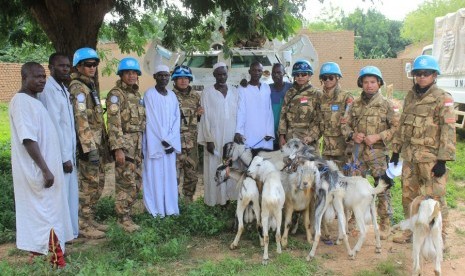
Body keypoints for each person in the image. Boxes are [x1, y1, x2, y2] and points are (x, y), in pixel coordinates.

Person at [9, 62, 73, 267]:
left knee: (47, 211)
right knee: (47, 214)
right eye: (36, 77)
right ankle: (56, 258)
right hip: (37, 170)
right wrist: (45, 169)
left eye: (43, 77)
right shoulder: (21, 102)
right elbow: (28, 139)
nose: (41, 80)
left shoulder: (34, 101)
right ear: (24, 78)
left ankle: (41, 254)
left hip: (47, 168)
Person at [391, 55, 456, 246]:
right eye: (418, 74)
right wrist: (396, 150)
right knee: (408, 197)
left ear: (434, 75)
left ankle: (440, 237)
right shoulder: (410, 96)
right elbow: (403, 124)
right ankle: (411, 232)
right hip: (410, 157)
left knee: (435, 198)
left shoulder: (443, 98)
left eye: (426, 73)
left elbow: (448, 130)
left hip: (431, 159)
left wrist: (443, 160)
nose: (421, 77)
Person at [341, 66, 399, 240]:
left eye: (373, 82)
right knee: (355, 187)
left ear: (379, 83)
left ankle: (385, 223)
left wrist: (378, 136)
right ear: (361, 84)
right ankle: (353, 219)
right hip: (358, 154)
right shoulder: (354, 104)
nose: (369, 85)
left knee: (382, 187)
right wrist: (352, 134)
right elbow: (344, 124)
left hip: (378, 153)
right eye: (365, 82)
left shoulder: (387, 105)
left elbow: (396, 128)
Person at [69, 47, 110, 239]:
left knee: (98, 182)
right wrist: (89, 148)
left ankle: (89, 218)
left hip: (97, 143)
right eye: (88, 65)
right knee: (88, 185)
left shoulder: (89, 86)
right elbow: (81, 118)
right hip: (88, 146)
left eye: (95, 64)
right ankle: (83, 225)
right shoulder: (78, 88)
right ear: (78, 66)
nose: (92, 68)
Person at [38, 53, 79, 239]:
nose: (65, 69)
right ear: (51, 68)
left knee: (69, 195)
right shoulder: (48, 90)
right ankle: (59, 236)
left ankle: (68, 233)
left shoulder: (62, 88)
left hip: (68, 150)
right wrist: (64, 157)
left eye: (67, 66)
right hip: (60, 154)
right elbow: (54, 124)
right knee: (59, 197)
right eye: (61, 66)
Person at [106, 57, 145, 232]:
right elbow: (114, 124)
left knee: (136, 181)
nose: (131, 76)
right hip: (125, 146)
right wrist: (118, 149)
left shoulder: (136, 94)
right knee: (125, 183)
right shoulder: (116, 95)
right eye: (127, 73)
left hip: (137, 145)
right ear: (121, 75)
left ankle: (127, 213)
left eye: (134, 72)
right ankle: (123, 219)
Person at [198, 62, 239, 206]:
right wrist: (208, 139)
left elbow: (239, 114)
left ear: (228, 74)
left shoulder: (235, 91)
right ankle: (214, 200)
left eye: (224, 74)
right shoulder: (207, 92)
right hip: (214, 136)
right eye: (219, 74)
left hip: (231, 136)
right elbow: (204, 117)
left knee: (230, 166)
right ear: (214, 75)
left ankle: (228, 199)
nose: (222, 77)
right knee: (214, 167)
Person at [143, 64, 181, 217]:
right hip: (156, 143)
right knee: (155, 177)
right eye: (160, 75)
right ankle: (156, 210)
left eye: (166, 75)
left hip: (170, 144)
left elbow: (176, 119)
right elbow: (151, 120)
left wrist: (171, 140)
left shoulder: (172, 96)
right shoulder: (149, 94)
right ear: (155, 77)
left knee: (169, 177)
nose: (164, 78)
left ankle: (170, 209)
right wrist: (164, 140)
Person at [171, 65, 201, 203]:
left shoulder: (196, 96)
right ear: (175, 80)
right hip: (175, 144)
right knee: (173, 175)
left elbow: (200, 118)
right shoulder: (170, 96)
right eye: (180, 78)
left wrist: (200, 114)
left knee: (192, 174)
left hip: (192, 143)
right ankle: (174, 203)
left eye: (186, 78)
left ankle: (188, 201)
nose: (183, 81)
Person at [317, 62, 353, 169]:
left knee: (343, 180)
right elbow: (318, 121)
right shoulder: (321, 98)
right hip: (326, 149)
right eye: (324, 78)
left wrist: (350, 147)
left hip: (342, 149)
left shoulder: (346, 97)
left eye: (331, 77)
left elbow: (352, 123)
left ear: (337, 78)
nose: (327, 80)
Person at [278, 60, 321, 149]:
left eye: (303, 74)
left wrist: (312, 136)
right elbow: (283, 115)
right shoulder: (289, 93)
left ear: (309, 75)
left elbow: (320, 119)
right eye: (297, 75)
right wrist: (282, 136)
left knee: (308, 162)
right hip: (290, 138)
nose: (300, 77)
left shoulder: (316, 94)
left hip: (307, 139)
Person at [235, 61, 274, 149]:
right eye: (254, 70)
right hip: (249, 131)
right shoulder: (242, 89)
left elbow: (269, 111)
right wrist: (239, 131)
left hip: (265, 134)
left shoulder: (266, 87)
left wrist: (270, 132)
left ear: (262, 72)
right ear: (249, 72)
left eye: (259, 70)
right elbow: (241, 111)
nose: (256, 73)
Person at [269, 63, 292, 150]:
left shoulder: (291, 88)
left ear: (284, 73)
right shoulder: (267, 88)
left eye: (279, 72)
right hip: (271, 132)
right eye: (274, 73)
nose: (276, 75)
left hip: (285, 132)